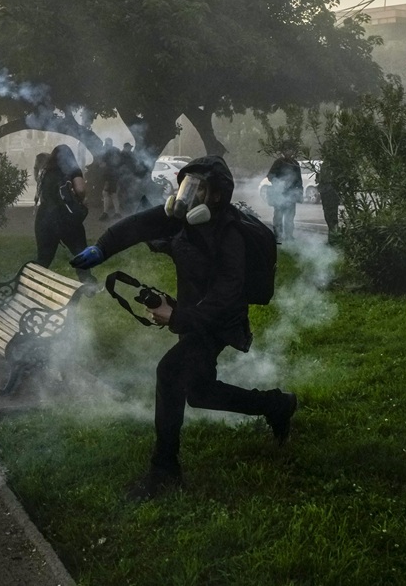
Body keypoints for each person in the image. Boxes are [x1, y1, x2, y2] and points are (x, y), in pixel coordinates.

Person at [69, 156, 298, 501]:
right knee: (200, 392)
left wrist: (176, 318)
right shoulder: (183, 218)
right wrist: (102, 248)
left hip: (219, 322)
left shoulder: (230, 235)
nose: (187, 194)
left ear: (217, 196)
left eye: (198, 188)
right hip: (195, 315)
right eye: (185, 185)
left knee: (170, 373)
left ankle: (164, 471)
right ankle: (278, 405)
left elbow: (225, 298)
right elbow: (137, 226)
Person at [34, 144, 94, 280]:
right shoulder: (72, 169)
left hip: (44, 217)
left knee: (44, 257)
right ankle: (88, 284)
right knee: (80, 251)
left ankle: (30, 283)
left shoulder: (46, 171)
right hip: (65, 216)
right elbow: (80, 190)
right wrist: (81, 201)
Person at [265, 153, 304, 241]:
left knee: (289, 217)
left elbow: (299, 179)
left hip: (291, 194)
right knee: (278, 216)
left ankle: (289, 236)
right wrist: (278, 184)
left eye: (290, 150)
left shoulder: (295, 163)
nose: (289, 152)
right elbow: (270, 176)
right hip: (279, 194)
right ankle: (277, 235)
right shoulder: (278, 162)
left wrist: (299, 192)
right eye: (287, 150)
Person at [315, 161, 340, 236]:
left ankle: (333, 235)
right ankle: (332, 235)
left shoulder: (334, 163)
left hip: (331, 192)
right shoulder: (325, 163)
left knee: (332, 215)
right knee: (328, 215)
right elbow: (322, 178)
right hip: (325, 192)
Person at [99, 138, 121, 220]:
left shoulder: (106, 152)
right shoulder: (117, 150)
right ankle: (117, 213)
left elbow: (103, 164)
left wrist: (101, 165)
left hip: (108, 175)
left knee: (105, 193)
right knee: (113, 194)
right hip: (115, 175)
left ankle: (105, 213)